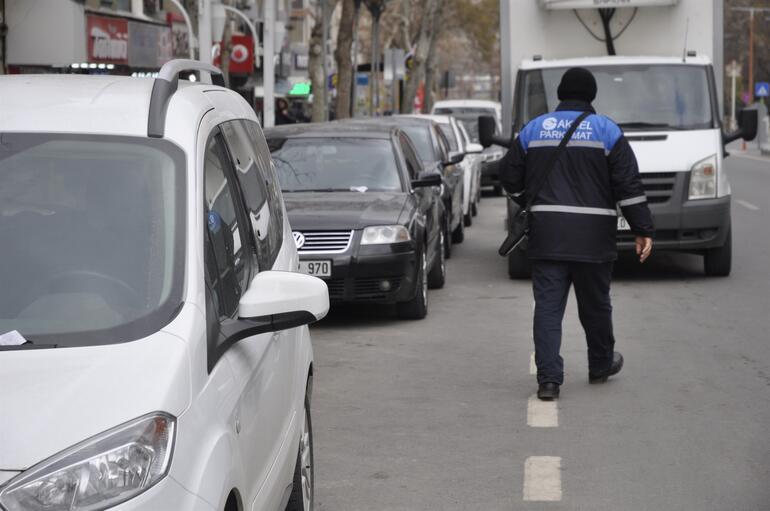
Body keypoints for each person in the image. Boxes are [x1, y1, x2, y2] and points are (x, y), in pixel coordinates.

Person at [499, 67, 655, 401]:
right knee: (596, 306)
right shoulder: (607, 131)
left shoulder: (533, 129)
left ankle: (549, 381)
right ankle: (600, 366)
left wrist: (527, 201)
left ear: (561, 94)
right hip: (593, 240)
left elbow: (508, 176)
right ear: (591, 96)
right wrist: (642, 229)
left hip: (547, 236)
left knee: (548, 309)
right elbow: (628, 186)